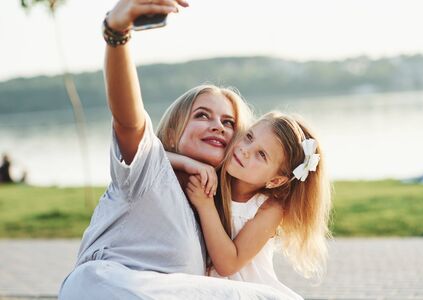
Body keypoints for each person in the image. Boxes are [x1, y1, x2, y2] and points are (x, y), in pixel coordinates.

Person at [59, 0, 293, 299]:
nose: (218, 126)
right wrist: (117, 33)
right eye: (202, 115)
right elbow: (128, 120)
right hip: (107, 286)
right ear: (172, 131)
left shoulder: (208, 214)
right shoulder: (147, 170)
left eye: (228, 122)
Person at [175, 112, 331, 299]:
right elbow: (156, 157)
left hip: (249, 291)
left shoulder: (269, 209)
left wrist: (205, 206)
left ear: (275, 180)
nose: (245, 150)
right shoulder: (215, 177)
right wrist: (185, 162)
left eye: (261, 155)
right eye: (249, 137)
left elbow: (228, 264)